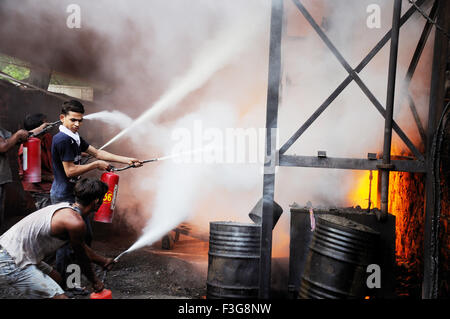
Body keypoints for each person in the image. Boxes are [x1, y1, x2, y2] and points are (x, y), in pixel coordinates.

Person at [50, 99, 141, 289]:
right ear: (62, 118)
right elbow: (70, 171)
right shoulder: (63, 139)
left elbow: (98, 153)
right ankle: (67, 286)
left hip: (73, 195)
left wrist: (127, 160)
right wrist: (95, 166)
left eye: (80, 120)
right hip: (64, 196)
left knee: (82, 239)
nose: (77, 124)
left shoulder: (74, 136)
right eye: (73, 120)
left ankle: (72, 282)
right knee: (68, 244)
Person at [0, 178, 115, 299]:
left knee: (57, 279)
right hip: (11, 261)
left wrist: (102, 261)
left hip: (17, 253)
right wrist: (95, 281)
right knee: (61, 297)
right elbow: (81, 257)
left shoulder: (66, 207)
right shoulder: (75, 223)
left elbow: (81, 246)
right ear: (97, 201)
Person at [18, 113, 54, 209]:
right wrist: (51, 178)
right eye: (45, 123)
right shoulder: (27, 148)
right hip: (39, 190)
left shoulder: (47, 137)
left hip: (51, 186)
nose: (48, 125)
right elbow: (30, 177)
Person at [0, 127, 29, 228]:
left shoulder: (2, 129)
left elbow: (14, 139)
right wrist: (18, 134)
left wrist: (40, 128)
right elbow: (3, 147)